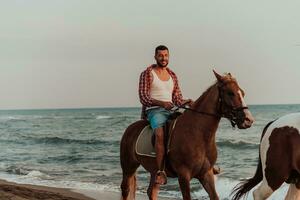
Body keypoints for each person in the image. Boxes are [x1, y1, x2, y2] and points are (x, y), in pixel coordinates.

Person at [139, 45, 193, 185]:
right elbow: (143, 97)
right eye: (160, 55)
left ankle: (199, 163)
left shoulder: (172, 75)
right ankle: (160, 171)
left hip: (171, 109)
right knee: (160, 134)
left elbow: (177, 98)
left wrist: (186, 102)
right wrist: (162, 103)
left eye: (166, 55)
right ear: (155, 57)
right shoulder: (148, 73)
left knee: (190, 126)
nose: (164, 58)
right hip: (154, 110)